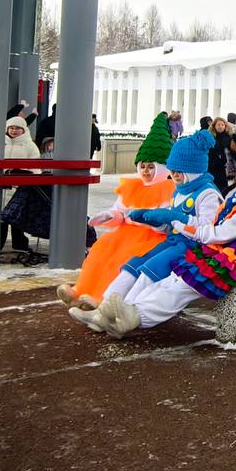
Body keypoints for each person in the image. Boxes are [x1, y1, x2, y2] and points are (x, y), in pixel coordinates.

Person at [86, 136, 236, 336]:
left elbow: (224, 230)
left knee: (185, 283)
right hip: (219, 246)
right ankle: (125, 310)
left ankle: (137, 315)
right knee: (173, 277)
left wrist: (183, 223)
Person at [68, 130, 222, 333]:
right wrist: (152, 220)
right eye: (173, 171)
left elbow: (206, 229)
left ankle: (124, 313)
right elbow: (169, 226)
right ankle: (103, 309)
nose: (174, 175)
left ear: (193, 170)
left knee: (151, 269)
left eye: (179, 172)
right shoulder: (180, 191)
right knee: (133, 265)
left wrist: (174, 218)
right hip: (173, 241)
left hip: (192, 247)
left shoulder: (207, 194)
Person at [57, 113, 176, 309]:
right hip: (123, 235)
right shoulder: (132, 186)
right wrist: (109, 216)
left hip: (150, 239)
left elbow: (162, 221)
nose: (146, 171)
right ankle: (80, 291)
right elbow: (119, 210)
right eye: (143, 166)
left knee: (121, 261)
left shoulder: (169, 189)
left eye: (151, 167)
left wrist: (135, 218)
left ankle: (102, 299)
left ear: (163, 168)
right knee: (100, 255)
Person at [1, 114, 39, 255]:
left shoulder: (30, 146)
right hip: (2, 187)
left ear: (24, 130)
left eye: (17, 128)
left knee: (18, 217)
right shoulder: (0, 143)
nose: (14, 130)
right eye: (11, 127)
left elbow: (35, 165)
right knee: (1, 218)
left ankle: (20, 244)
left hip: (20, 187)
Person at [208, 116, 233, 193]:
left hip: (225, 166)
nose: (220, 127)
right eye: (218, 125)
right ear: (214, 126)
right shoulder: (210, 137)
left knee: (223, 188)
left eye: (222, 125)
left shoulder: (229, 137)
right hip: (212, 166)